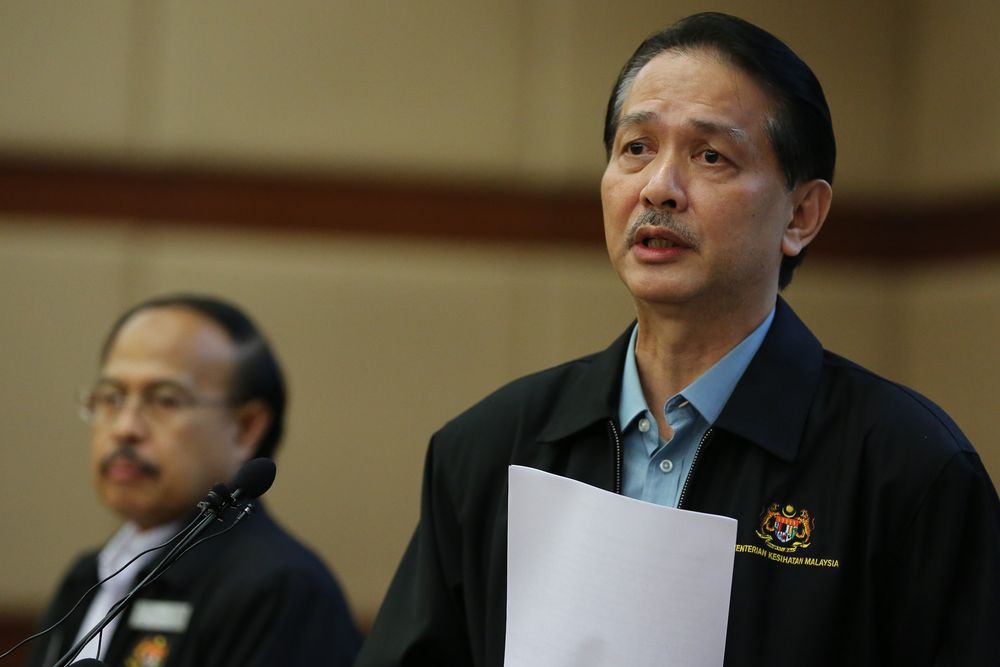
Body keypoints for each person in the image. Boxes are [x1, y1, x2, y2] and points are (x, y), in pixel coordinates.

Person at [356, 12, 999, 667]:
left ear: (801, 215)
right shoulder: (490, 449)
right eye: (636, 148)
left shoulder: (906, 470)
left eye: (710, 155)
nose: (658, 188)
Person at [27, 295, 361, 667]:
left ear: (245, 428)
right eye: (112, 397)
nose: (125, 428)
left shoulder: (281, 589)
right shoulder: (86, 577)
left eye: (165, 400)